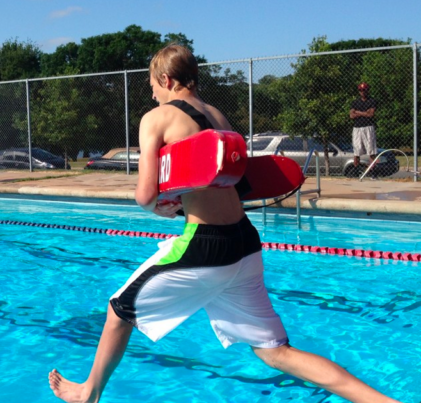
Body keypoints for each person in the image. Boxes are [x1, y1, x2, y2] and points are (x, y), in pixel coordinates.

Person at [48, 45, 399, 403]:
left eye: (152, 85)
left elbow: (144, 196)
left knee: (118, 310)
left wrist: (162, 207)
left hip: (205, 247)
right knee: (276, 352)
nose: (152, 94)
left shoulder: (156, 119)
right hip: (244, 243)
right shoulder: (218, 116)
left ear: (166, 80)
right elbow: (227, 181)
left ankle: (88, 393)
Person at [349, 82, 378, 177]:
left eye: (364, 90)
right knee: (357, 150)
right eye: (360, 90)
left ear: (367, 90)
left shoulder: (372, 101)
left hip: (368, 127)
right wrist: (364, 113)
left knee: (371, 150)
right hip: (357, 128)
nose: (362, 92)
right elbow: (351, 115)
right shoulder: (355, 102)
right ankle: (356, 170)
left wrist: (357, 112)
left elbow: (371, 114)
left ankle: (373, 171)